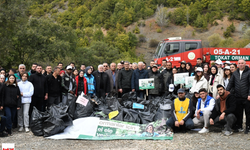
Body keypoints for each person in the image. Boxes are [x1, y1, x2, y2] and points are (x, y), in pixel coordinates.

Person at [226, 59, 250, 134]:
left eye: (242, 63)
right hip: (237, 96)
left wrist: (249, 94)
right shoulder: (235, 73)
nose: (241, 64)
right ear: (238, 64)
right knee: (239, 113)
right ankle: (239, 126)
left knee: (248, 113)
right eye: (239, 63)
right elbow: (231, 83)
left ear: (245, 64)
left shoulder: (249, 72)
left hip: (246, 96)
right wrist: (226, 92)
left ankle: (248, 127)